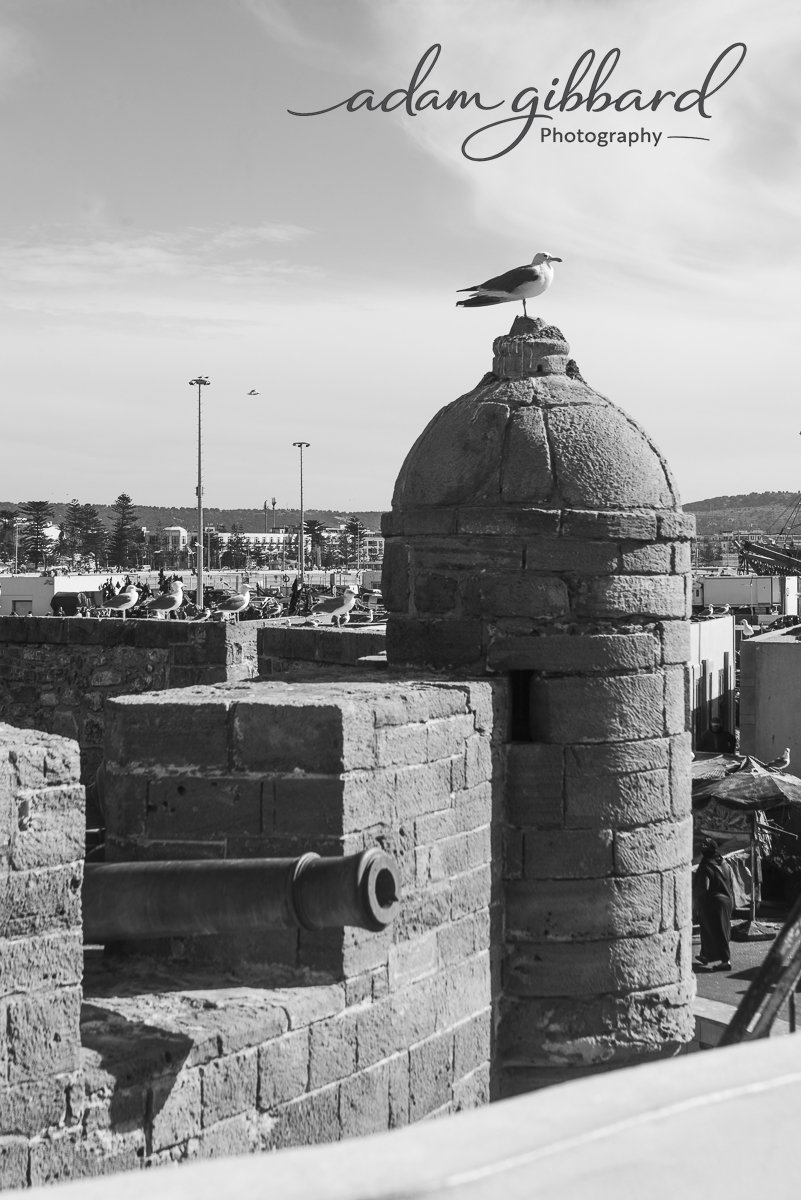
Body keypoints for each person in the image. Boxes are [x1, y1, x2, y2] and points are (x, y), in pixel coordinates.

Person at [693, 839, 735, 970]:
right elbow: (731, 883)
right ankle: (705, 955)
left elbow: (704, 887)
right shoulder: (725, 864)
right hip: (727, 901)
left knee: (717, 931)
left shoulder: (706, 865)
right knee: (711, 929)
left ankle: (725, 961)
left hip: (713, 902)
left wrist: (695, 903)